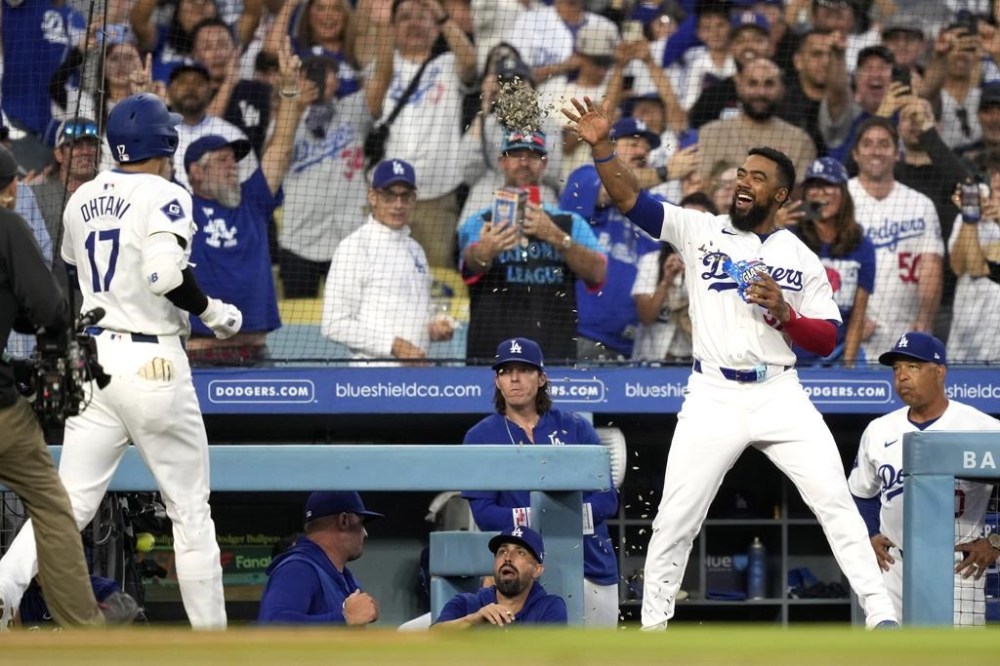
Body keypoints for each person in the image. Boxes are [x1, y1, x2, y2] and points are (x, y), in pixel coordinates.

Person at [561, 95, 898, 630]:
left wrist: (786, 314)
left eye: (758, 177)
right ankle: (653, 629)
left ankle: (882, 617)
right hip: (713, 394)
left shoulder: (799, 255)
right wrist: (602, 146)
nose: (744, 181)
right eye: (741, 173)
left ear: (780, 194)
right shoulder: (701, 230)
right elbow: (632, 202)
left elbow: (828, 338)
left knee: (835, 502)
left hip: (780, 394)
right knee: (676, 516)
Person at [0, 93, 243, 629]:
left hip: (96, 361)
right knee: (189, 512)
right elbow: (164, 276)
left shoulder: (82, 196)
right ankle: (216, 646)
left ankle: (1, 592)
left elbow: (70, 268)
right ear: (166, 141)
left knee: (66, 505)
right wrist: (214, 312)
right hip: (152, 361)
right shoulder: (166, 193)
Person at [0, 144, 137, 629]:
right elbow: (50, 308)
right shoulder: (7, 224)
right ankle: (83, 632)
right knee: (53, 508)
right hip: (2, 412)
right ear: (10, 188)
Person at [460, 338, 619, 627]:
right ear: (497, 381)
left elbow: (607, 499)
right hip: (525, 574)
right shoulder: (480, 436)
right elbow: (484, 515)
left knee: (600, 654)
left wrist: (558, 522)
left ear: (542, 378)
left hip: (591, 562)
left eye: (524, 370)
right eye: (506, 372)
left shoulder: (575, 426)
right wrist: (545, 519)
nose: (515, 378)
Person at [848, 332, 1000, 625]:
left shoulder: (983, 428)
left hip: (957, 568)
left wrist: (995, 542)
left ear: (940, 372)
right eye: (897, 369)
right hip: (892, 566)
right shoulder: (879, 430)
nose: (902, 376)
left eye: (913, 367)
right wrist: (868, 533)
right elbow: (860, 492)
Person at [457, 129, 606, 364]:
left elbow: (598, 272)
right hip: (490, 358)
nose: (524, 163)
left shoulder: (568, 222)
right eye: (516, 155)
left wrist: (557, 237)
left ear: (544, 163)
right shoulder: (480, 221)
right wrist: (486, 250)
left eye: (533, 156)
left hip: (553, 359)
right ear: (502, 162)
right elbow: (469, 265)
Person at [321, 158, 455, 363]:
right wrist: (393, 345)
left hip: (416, 379)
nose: (398, 205)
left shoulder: (416, 249)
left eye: (405, 196)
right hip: (373, 379)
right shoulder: (354, 248)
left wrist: (433, 327)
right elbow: (334, 323)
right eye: (389, 196)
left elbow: (415, 312)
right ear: (372, 197)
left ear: (414, 199)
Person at [847, 117, 943, 361]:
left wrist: (925, 319)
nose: (876, 150)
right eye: (868, 143)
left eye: (884, 143)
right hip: (853, 336)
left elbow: (931, 265)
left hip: (906, 333)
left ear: (897, 153)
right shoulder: (841, 200)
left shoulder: (919, 204)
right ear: (856, 154)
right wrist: (848, 321)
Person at [787, 157, 876, 367]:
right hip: (790, 353)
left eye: (829, 186)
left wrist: (847, 367)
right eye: (814, 187)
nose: (820, 193)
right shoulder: (788, 237)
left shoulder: (862, 245)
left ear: (843, 193)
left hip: (836, 353)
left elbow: (857, 316)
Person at [258, 491, 382, 625]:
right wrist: (345, 619)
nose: (365, 533)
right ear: (343, 520)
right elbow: (273, 625)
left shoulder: (343, 577)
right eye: (361, 523)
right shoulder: (297, 569)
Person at [432, 526, 567, 627]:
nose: (508, 558)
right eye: (502, 551)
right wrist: (473, 619)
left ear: (537, 570)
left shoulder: (549, 607)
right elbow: (432, 639)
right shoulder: (467, 603)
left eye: (520, 553)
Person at [947, 150, 1000, 363]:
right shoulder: (969, 220)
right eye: (998, 189)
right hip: (966, 342)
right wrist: (970, 216)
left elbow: (979, 268)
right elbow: (959, 266)